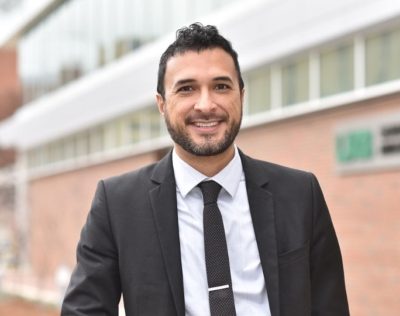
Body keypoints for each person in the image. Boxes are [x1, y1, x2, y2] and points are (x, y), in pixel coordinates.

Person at [61, 23, 349, 316]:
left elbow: (330, 307)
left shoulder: (300, 194)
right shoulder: (118, 203)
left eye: (221, 87)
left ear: (241, 96)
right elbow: (83, 310)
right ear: (162, 104)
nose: (206, 104)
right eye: (187, 89)